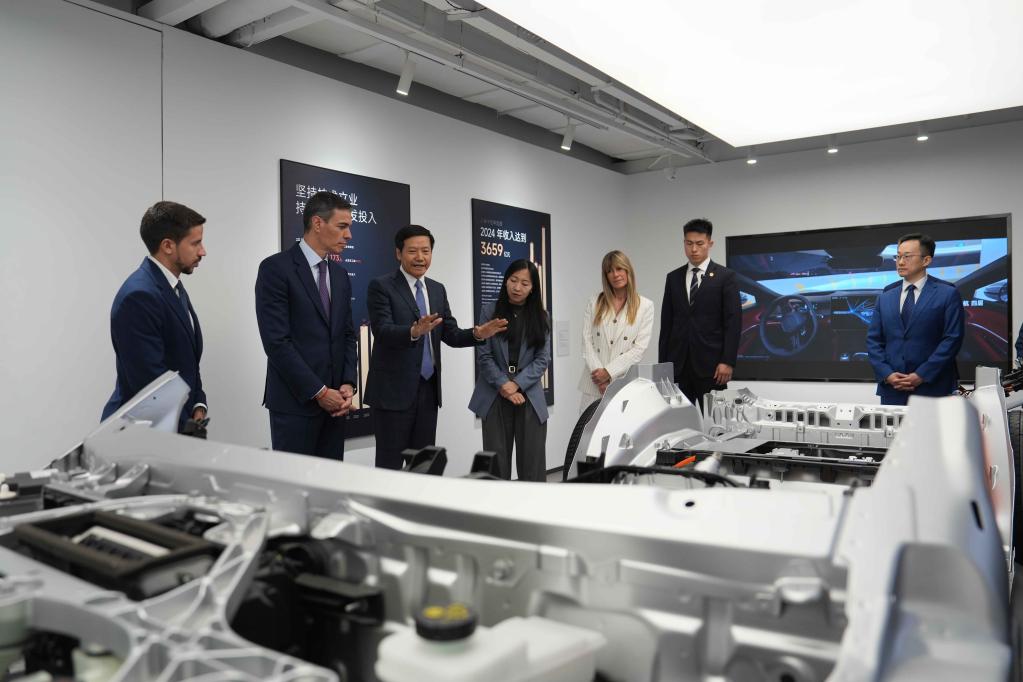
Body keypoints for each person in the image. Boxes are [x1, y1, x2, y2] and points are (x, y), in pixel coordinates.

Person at [365, 225, 507, 470]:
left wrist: (477, 334)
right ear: (398, 253)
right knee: (390, 467)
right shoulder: (382, 286)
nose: (420, 257)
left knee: (424, 464)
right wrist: (413, 332)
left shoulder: (436, 289)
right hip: (392, 393)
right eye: (413, 251)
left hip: (428, 391)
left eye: (426, 251)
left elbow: (451, 334)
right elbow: (382, 330)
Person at [254, 191, 358, 459]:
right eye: (342, 226)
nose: (348, 235)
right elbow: (276, 342)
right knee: (293, 481)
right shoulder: (276, 269)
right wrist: (319, 392)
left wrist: (348, 383)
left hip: (336, 406)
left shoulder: (340, 275)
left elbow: (347, 334)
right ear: (317, 223)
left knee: (330, 480)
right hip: (295, 404)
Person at [102, 201, 208, 432]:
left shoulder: (171, 286)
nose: (203, 251)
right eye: (195, 243)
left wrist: (198, 403)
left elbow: (187, 361)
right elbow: (150, 384)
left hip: (171, 426)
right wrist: (187, 428)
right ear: (168, 246)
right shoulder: (139, 295)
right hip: (141, 433)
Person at [469, 260, 552, 481]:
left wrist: (515, 384)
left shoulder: (542, 317)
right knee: (496, 467)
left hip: (529, 396)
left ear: (533, 288)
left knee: (532, 467)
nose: (517, 287)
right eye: (513, 280)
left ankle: (530, 505)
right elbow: (484, 355)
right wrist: (503, 384)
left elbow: (542, 359)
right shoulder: (489, 311)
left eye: (525, 283)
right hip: (494, 395)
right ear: (505, 281)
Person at [866, 232, 964, 406]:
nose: (900, 262)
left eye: (907, 256)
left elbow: (952, 339)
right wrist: (887, 374)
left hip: (934, 388)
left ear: (926, 260)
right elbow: (874, 340)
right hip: (893, 389)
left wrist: (922, 375)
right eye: (898, 256)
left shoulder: (947, 293)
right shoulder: (886, 295)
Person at [658, 218, 741, 411]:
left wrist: (727, 361)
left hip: (713, 368)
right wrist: (663, 367)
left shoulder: (726, 277)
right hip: (678, 368)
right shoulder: (673, 278)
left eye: (699, 243)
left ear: (710, 244)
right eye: (689, 243)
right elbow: (666, 325)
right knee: (679, 423)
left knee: (715, 423)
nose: (694, 249)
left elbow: (733, 323)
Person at [580, 250, 654, 411]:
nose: (615, 274)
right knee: (587, 427)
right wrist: (600, 377)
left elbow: (639, 349)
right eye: (609, 271)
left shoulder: (645, 306)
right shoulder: (594, 302)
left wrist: (608, 372)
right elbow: (586, 341)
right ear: (605, 276)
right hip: (594, 384)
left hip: (623, 383)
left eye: (619, 269)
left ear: (628, 271)